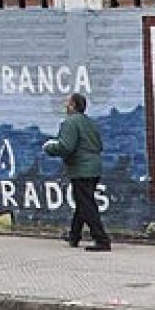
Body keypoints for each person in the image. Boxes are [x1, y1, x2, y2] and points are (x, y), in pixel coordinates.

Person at [43, 93, 108, 252]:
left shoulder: (70, 122)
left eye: (68, 103)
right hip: (94, 167)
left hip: (81, 169)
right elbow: (99, 145)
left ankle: (101, 239)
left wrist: (49, 147)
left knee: (86, 204)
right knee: (82, 202)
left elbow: (66, 146)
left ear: (73, 105)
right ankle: (74, 235)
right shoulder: (90, 122)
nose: (65, 106)